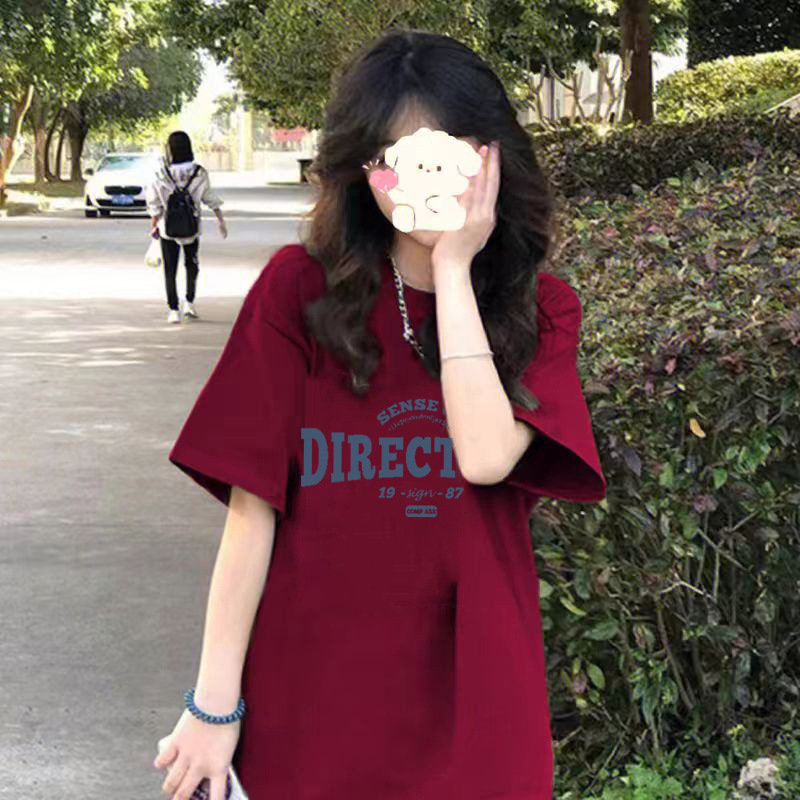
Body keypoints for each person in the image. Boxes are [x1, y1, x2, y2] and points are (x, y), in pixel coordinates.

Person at [155, 29, 607, 800]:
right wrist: (213, 705)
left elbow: (485, 457)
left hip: (475, 701)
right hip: (312, 695)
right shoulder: (298, 293)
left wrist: (454, 269)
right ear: (361, 171)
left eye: (442, 152)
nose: (415, 180)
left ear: (491, 157)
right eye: (388, 159)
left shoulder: (541, 311)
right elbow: (252, 511)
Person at [146, 130, 228, 324]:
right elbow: (209, 197)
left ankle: (173, 309)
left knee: (170, 269)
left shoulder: (161, 174)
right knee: (192, 265)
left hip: (168, 228)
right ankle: (189, 302)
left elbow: (154, 204)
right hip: (192, 227)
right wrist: (220, 219)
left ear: (170, 149)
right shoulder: (199, 173)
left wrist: (153, 226)